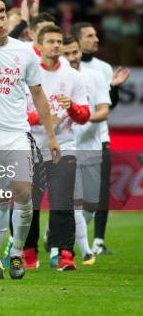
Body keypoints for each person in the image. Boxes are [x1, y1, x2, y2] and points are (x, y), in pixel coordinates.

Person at [0, 0, 59, 280]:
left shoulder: (25, 52)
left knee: (24, 194)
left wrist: (51, 136)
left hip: (15, 131)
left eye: (3, 16)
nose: (1, 22)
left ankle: (15, 252)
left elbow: (38, 94)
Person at [24, 25, 90, 271]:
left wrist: (71, 107)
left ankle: (64, 253)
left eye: (59, 41)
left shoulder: (73, 77)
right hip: (32, 145)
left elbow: (84, 116)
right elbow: (16, 111)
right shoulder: (27, 74)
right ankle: (29, 251)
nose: (56, 46)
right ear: (39, 45)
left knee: (62, 200)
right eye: (50, 41)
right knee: (29, 202)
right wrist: (41, 116)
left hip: (64, 145)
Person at [71, 22, 130, 255]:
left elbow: (108, 104)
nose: (96, 39)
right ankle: (59, 236)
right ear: (77, 40)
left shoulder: (103, 68)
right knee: (72, 195)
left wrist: (114, 88)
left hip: (98, 136)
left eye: (96, 34)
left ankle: (97, 240)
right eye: (89, 35)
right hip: (71, 139)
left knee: (98, 194)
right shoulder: (65, 67)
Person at [61, 35, 110, 266]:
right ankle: (84, 250)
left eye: (74, 53)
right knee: (76, 202)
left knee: (91, 203)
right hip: (67, 146)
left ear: (80, 52)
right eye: (67, 53)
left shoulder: (95, 76)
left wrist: (83, 118)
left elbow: (103, 110)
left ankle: (59, 233)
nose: (71, 58)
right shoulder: (58, 77)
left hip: (91, 145)